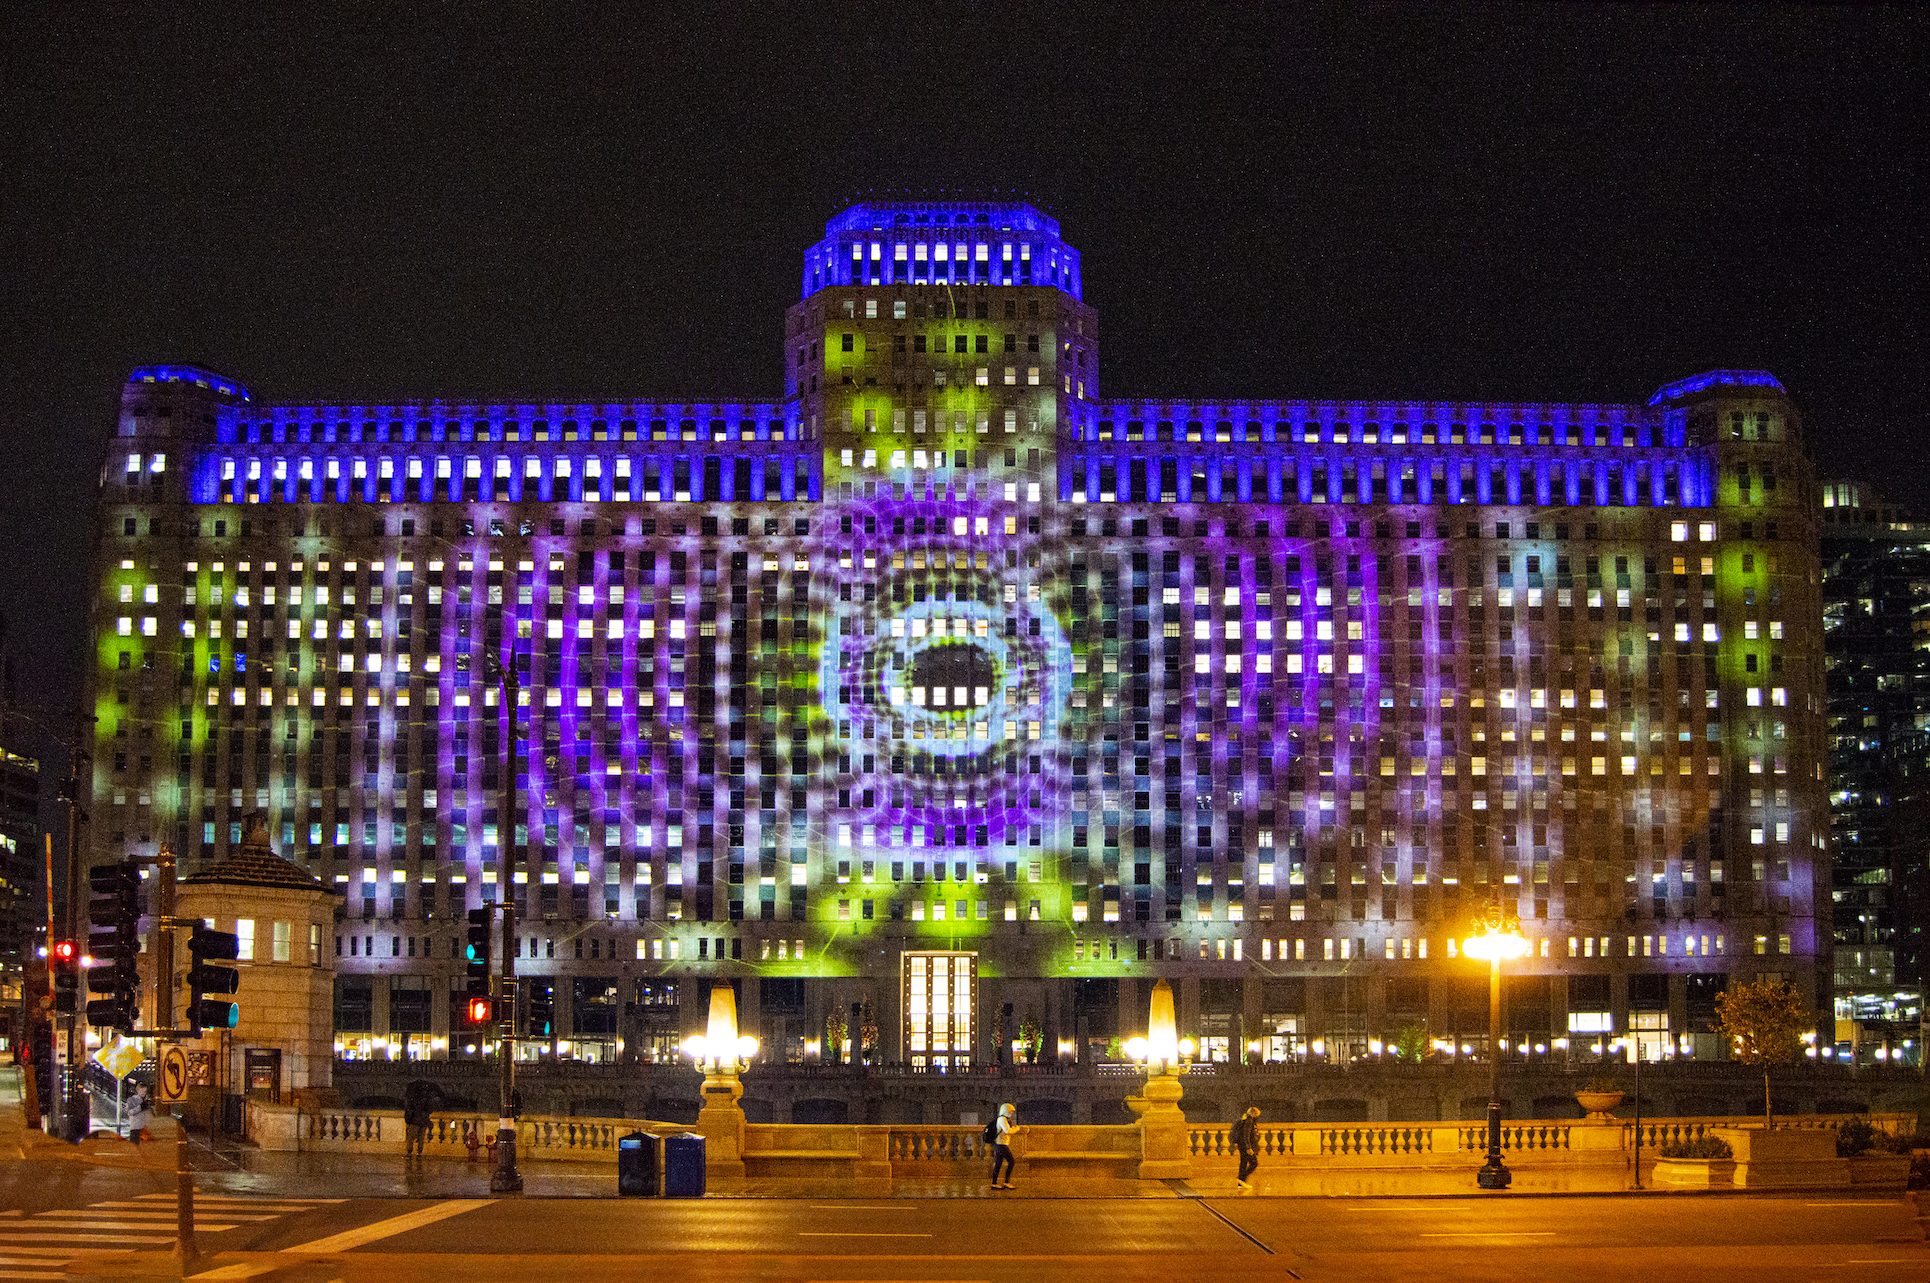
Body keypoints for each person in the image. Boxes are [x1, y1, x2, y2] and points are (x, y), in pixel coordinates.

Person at [402, 1079, 436, 1158]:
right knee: (421, 1137)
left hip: (415, 1120)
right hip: (424, 1120)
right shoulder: (427, 1098)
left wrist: (408, 1119)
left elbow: (409, 1109)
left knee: (411, 1137)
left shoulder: (413, 1097)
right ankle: (419, 1152)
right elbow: (430, 1109)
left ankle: (409, 1152)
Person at [1231, 1105, 1261, 1188]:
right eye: (1257, 1114)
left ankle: (1241, 1183)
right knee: (1254, 1163)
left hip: (1242, 1145)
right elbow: (1246, 1134)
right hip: (1246, 1146)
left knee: (1243, 1163)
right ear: (1254, 1114)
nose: (1258, 1116)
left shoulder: (1244, 1120)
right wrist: (1249, 1147)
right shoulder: (1249, 1121)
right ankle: (1242, 1178)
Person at [990, 1102, 1019, 1190]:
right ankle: (1006, 1182)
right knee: (1011, 1161)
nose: (1011, 1113)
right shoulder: (1002, 1119)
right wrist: (1016, 1129)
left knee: (998, 1164)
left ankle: (994, 1183)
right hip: (1002, 1145)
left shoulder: (1002, 1118)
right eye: (1010, 1111)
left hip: (1000, 1144)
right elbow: (1007, 1130)